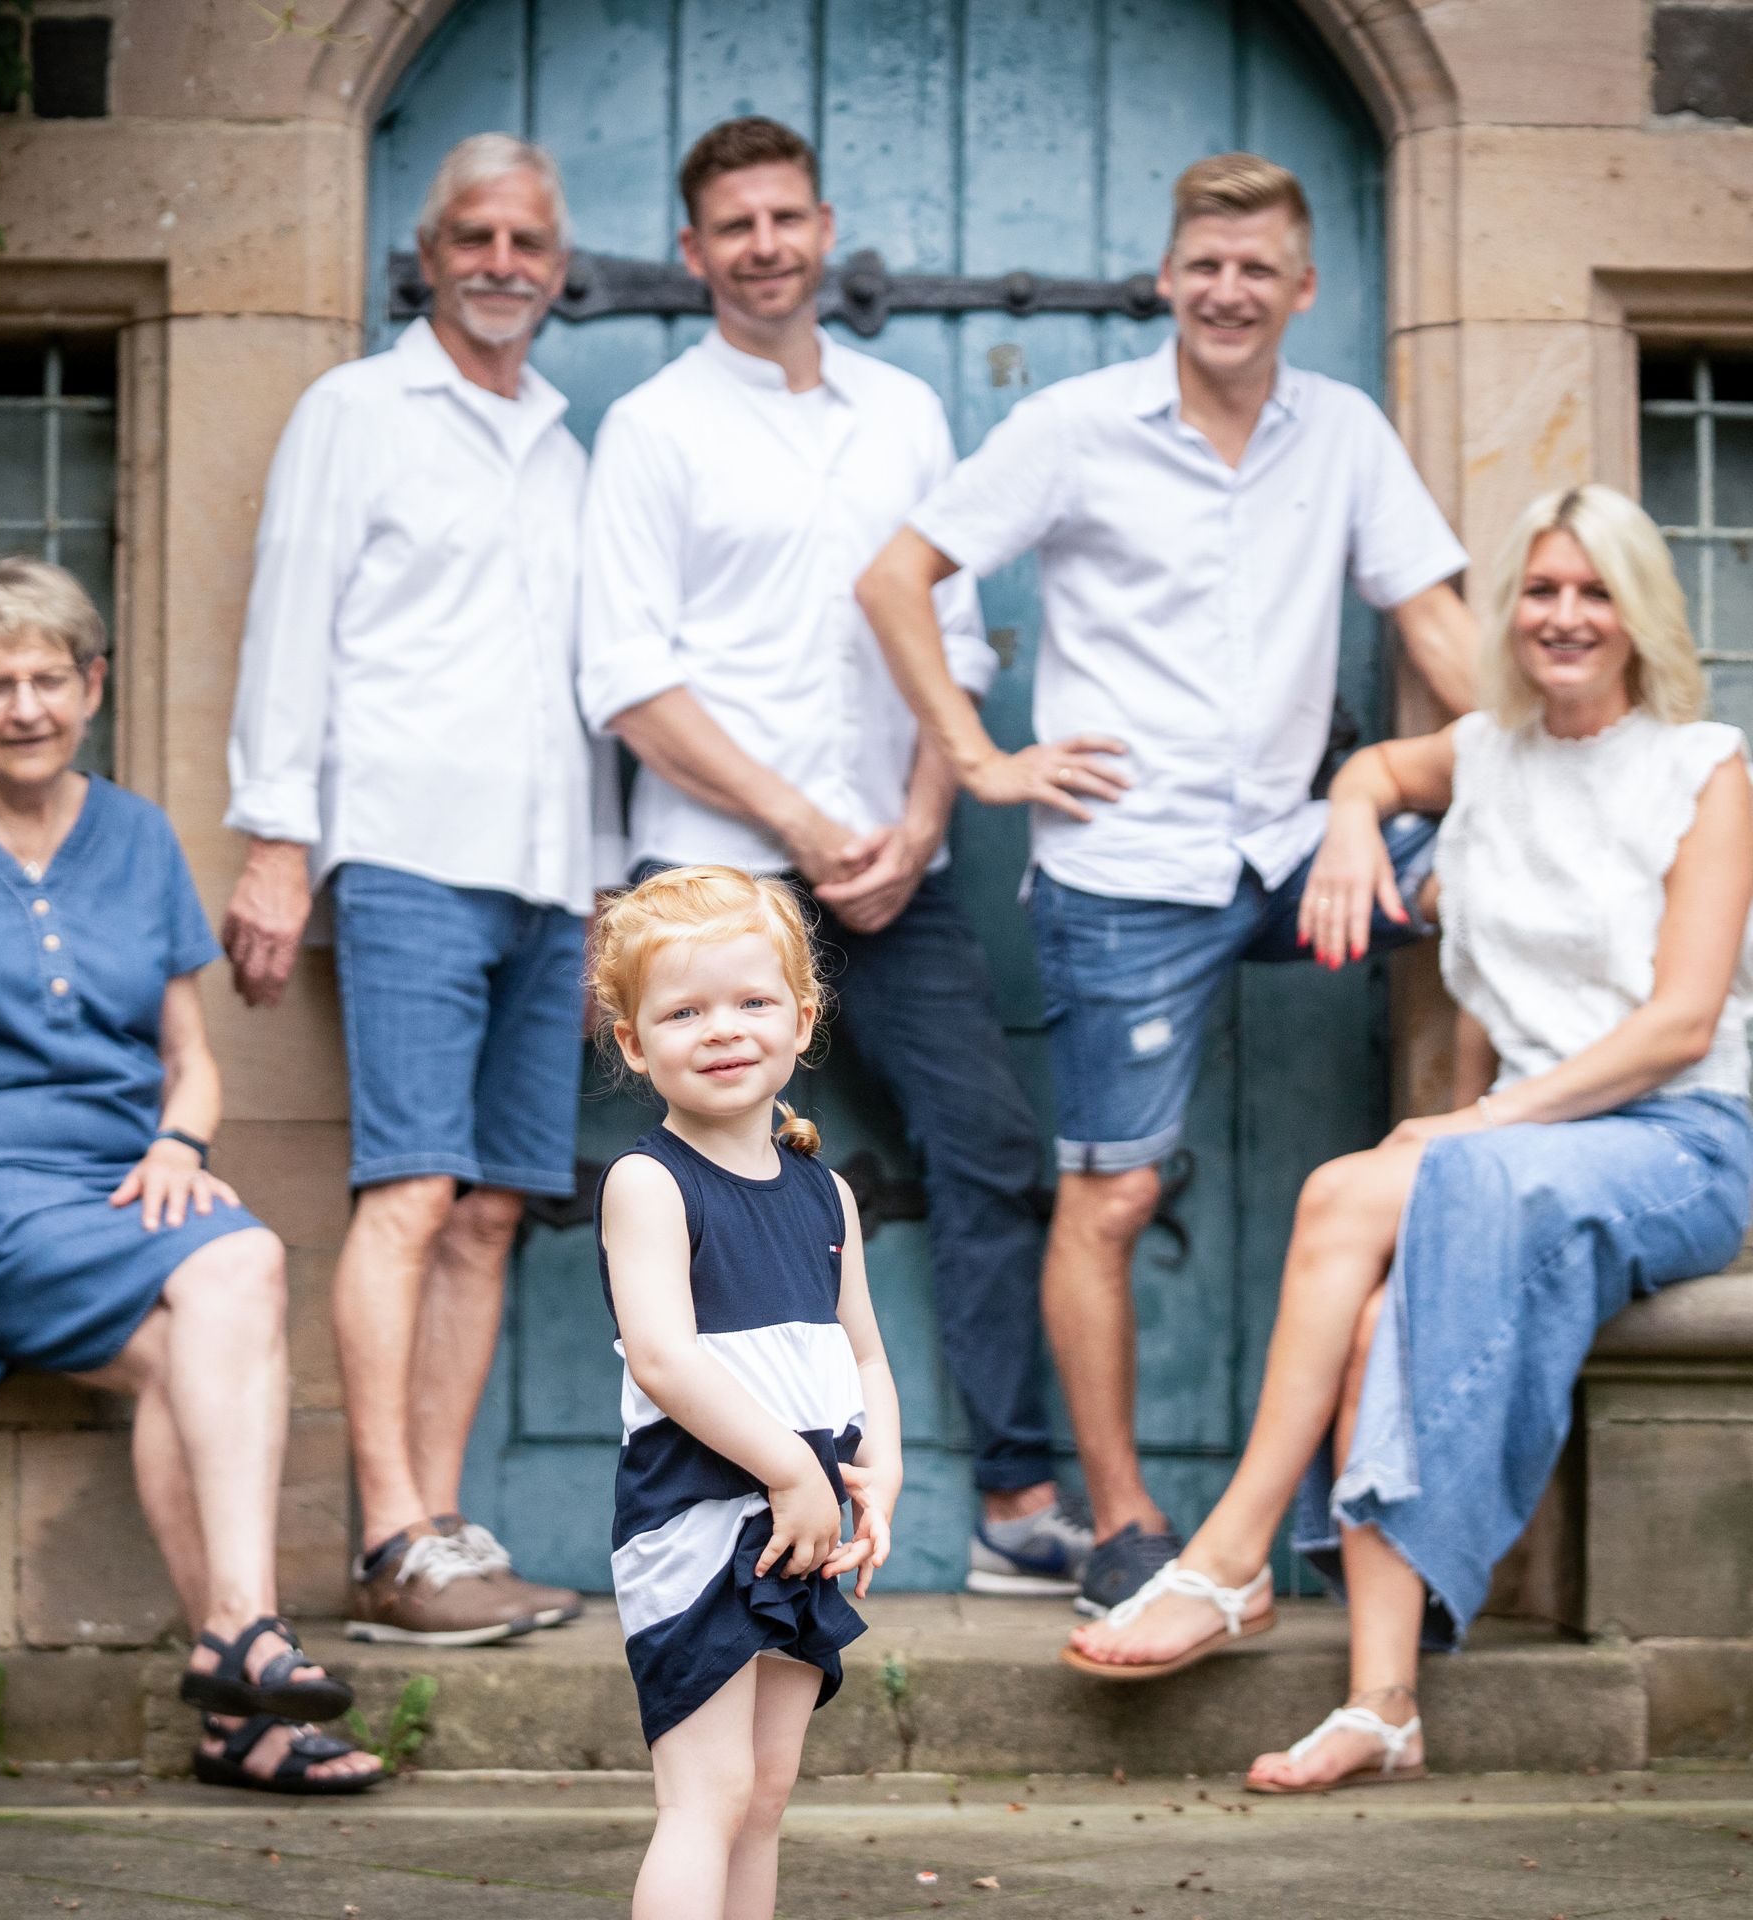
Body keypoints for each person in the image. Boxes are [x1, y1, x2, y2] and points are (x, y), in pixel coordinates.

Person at [856, 151, 1479, 1617]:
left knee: (1498, 875)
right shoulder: (1077, 426)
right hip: (1128, 867)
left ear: (1302, 287)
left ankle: (1503, 1154)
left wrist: (1567, 774)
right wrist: (979, 758)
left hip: (1295, 848)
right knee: (1115, 1189)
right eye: (1206, 264)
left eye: (1257, 268)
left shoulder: (1343, 432)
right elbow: (896, 576)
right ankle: (1126, 1522)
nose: (1229, 290)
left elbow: (1441, 627)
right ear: (1166, 278)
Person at [1063, 484, 1753, 1792]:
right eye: (1540, 590)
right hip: (1528, 1149)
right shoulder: (1485, 751)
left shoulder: (1702, 768)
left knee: (1348, 1190)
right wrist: (1345, 826)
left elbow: (1677, 1027)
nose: (1564, 616)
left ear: (1638, 612)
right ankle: (1384, 1707)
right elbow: (1377, 770)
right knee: (1386, 1317)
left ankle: (1228, 1559)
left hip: (1677, 1142)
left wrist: (1479, 1121)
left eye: (1594, 591)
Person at [581, 116, 1086, 1597]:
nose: (765, 246)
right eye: (734, 225)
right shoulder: (656, 426)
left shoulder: (903, 413)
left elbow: (952, 641)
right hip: (716, 884)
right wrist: (802, 828)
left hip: (898, 868)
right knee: (700, 1193)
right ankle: (721, 1516)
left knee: (992, 1150)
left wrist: (923, 822)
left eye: (786, 217)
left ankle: (1014, 1504)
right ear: (694, 252)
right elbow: (630, 680)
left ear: (824, 228)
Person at [0, 557, 382, 1795]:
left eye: (49, 679)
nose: (25, 707)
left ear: (93, 685)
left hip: (120, 1182)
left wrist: (178, 1143)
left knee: (196, 1334)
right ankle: (250, 1639)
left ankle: (240, 1695)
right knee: (242, 1261)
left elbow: (189, 1061)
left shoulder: (135, 834)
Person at [221, 133, 608, 1643]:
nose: (502, 263)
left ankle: (441, 1539)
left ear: (557, 267)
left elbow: (582, 688)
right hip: (404, 854)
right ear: (430, 254)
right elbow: (289, 619)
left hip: (549, 875)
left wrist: (601, 888)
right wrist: (276, 836)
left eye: (528, 241)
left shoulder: (564, 447)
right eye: (475, 236)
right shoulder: (356, 412)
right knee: (413, 1187)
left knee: (494, 1208)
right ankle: (387, 1534)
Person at [589, 865, 901, 1919]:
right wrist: (789, 1472)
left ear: (801, 1020)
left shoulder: (827, 1191)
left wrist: (878, 1475)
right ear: (636, 1043)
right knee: (707, 1795)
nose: (722, 1029)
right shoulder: (650, 1183)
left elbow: (863, 1354)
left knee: (764, 1796)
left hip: (803, 1524)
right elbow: (664, 1360)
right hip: (702, 1519)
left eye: (752, 1001)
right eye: (684, 1011)